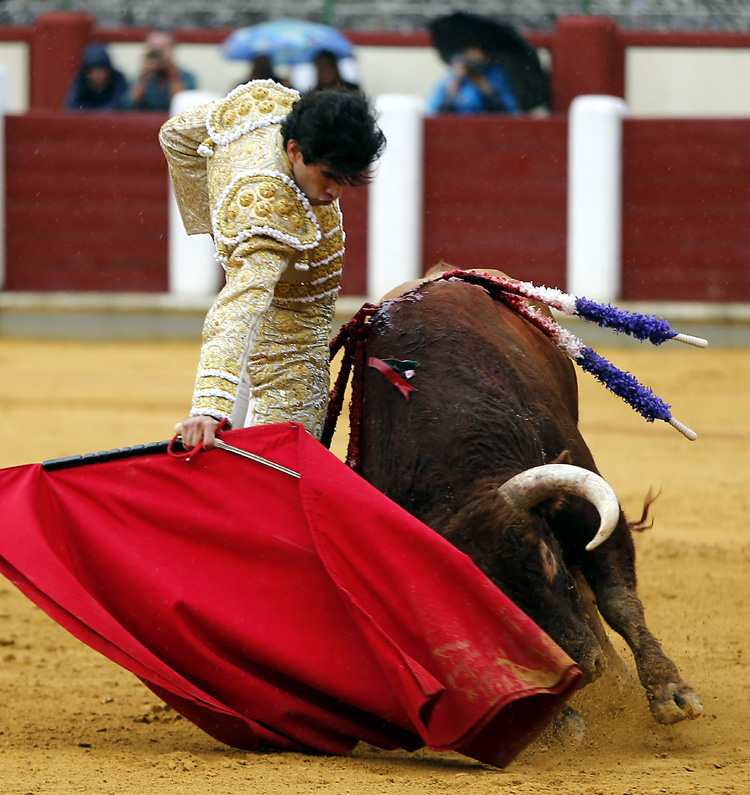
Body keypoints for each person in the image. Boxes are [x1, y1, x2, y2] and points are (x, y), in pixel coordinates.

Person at [159, 81, 386, 450]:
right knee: (276, 482)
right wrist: (209, 406)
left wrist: (221, 231)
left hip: (258, 336)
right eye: (327, 174)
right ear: (294, 151)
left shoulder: (267, 115)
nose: (334, 192)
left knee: (224, 473)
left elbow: (176, 136)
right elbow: (239, 307)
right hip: (290, 355)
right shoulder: (270, 216)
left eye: (343, 180)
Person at [426, 44, 519, 115]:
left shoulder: (497, 75)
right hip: (456, 131)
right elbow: (434, 112)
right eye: (470, 61)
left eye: (478, 62)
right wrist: (452, 91)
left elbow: (509, 113)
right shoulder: (451, 77)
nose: (474, 66)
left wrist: (489, 92)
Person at [129, 29, 197, 111]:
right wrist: (144, 76)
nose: (158, 56)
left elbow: (184, 108)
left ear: (172, 50)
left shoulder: (188, 77)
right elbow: (129, 105)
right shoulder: (139, 78)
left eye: (162, 50)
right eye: (154, 51)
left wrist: (173, 74)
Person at [65, 43, 129, 111]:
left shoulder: (118, 79)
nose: (98, 75)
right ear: (87, 73)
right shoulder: (81, 81)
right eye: (94, 70)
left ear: (108, 71)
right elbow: (72, 107)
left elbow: (121, 105)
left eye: (101, 70)